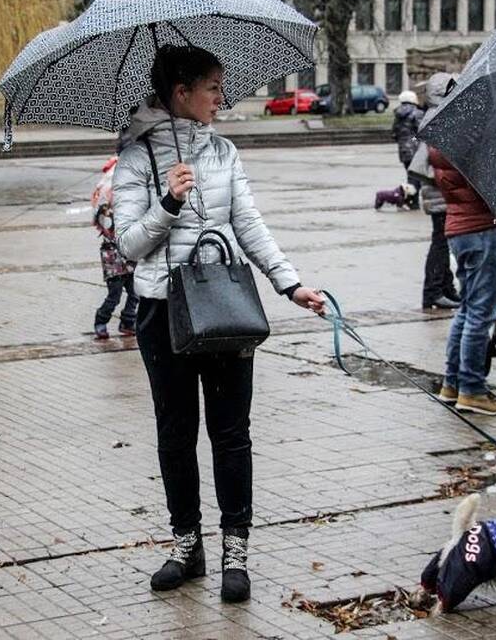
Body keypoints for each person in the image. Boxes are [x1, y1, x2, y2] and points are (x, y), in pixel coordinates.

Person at [112, 44, 325, 604]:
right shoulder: (136, 159)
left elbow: (249, 224)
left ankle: (236, 549)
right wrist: (167, 202)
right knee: (176, 433)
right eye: (211, 87)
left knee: (231, 432)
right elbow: (129, 245)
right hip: (163, 311)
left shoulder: (224, 152)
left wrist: (290, 282)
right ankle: (187, 544)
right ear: (180, 92)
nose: (220, 97)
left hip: (225, 305)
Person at [428, 74, 496, 416]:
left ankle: (453, 384)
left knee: (467, 310)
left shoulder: (443, 136)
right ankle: (473, 390)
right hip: (483, 228)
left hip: (461, 229)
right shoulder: (469, 138)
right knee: (481, 313)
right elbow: (493, 184)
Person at [409, 77, 459, 311]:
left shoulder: (435, 113)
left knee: (443, 242)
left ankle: (446, 289)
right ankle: (434, 292)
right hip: (439, 193)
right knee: (440, 244)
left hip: (438, 192)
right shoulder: (438, 116)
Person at [91, 155, 137, 340]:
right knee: (115, 295)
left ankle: (127, 321)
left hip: (131, 254)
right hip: (113, 257)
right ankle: (101, 321)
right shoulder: (105, 209)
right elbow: (107, 227)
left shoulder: (129, 204)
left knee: (135, 293)